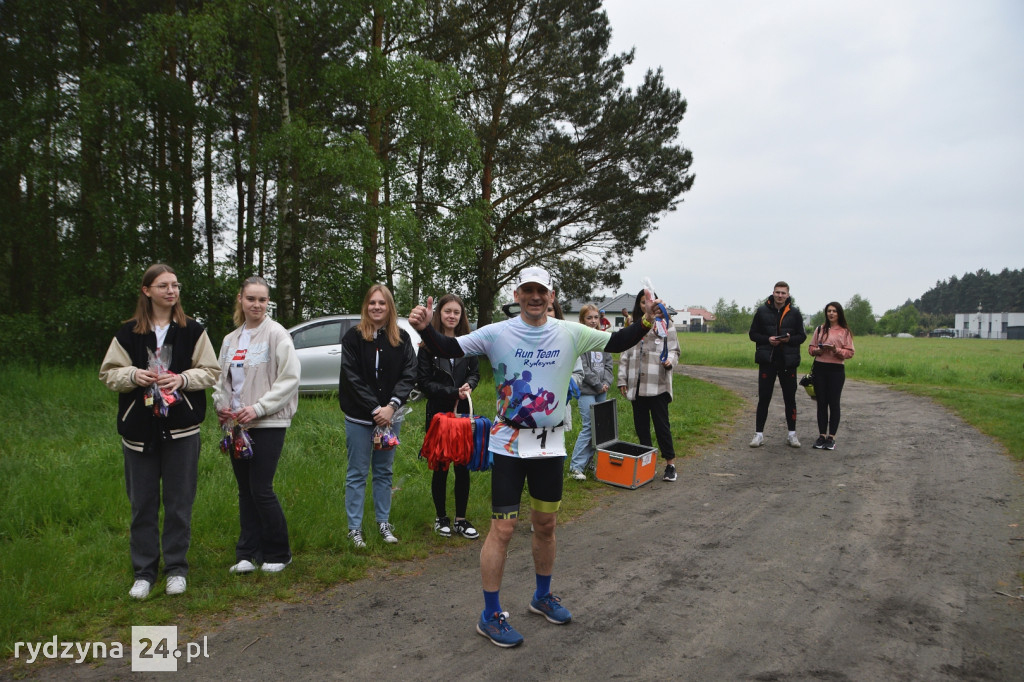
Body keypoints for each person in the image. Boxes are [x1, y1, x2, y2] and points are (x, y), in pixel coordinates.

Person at [408, 266, 664, 648]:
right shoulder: (498, 331)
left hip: (550, 446)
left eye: (541, 291)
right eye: (528, 290)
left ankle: (541, 596)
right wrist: (426, 329)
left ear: (552, 295)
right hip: (509, 444)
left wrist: (646, 319)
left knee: (545, 525)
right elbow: (448, 348)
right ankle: (489, 614)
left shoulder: (570, 332)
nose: (535, 297)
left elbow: (617, 341)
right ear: (517, 294)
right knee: (504, 529)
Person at [99, 264, 220, 599]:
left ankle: (177, 569)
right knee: (143, 504)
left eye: (176, 285)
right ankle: (144, 572)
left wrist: (182, 379)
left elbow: (211, 371)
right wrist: (133, 376)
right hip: (139, 433)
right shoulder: (128, 334)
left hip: (182, 431)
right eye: (164, 285)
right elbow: (108, 374)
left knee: (180, 503)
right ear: (146, 291)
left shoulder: (193, 331)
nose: (172, 291)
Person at [213, 276, 301, 574]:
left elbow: (289, 380)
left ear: (268, 302)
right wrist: (221, 407)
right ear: (241, 299)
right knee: (245, 490)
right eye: (251, 299)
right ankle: (247, 554)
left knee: (261, 488)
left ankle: (279, 552)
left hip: (269, 422)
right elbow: (220, 381)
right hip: (238, 427)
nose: (257, 305)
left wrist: (259, 408)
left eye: (262, 300)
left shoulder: (277, 335)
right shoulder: (230, 340)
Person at [339, 284, 417, 548]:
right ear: (366, 306)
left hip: (391, 418)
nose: (376, 307)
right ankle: (354, 528)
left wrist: (391, 407)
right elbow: (352, 377)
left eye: (382, 303)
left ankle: (383, 522)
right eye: (372, 302)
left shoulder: (402, 338)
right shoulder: (353, 338)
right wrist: (375, 409)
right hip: (360, 417)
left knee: (384, 472)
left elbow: (409, 374)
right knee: (357, 472)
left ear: (390, 307)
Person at [416, 293, 481, 539]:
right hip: (439, 416)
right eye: (447, 311)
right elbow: (423, 383)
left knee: (463, 467)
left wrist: (469, 386)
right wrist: (453, 391)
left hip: (463, 415)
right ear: (439, 314)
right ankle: (441, 517)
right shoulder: (427, 347)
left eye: (457, 312)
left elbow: (475, 373)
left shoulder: (469, 344)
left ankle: (461, 520)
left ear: (461, 316)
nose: (452, 316)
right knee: (441, 467)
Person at [617, 290, 681, 481]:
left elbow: (674, 350)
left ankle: (670, 464)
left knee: (662, 426)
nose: (646, 305)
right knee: (641, 426)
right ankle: (647, 464)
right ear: (639, 305)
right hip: (636, 384)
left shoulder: (666, 324)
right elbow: (624, 353)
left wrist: (669, 362)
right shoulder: (633, 325)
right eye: (642, 302)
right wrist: (622, 379)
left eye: (649, 302)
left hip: (657, 383)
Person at [748, 281, 807, 448]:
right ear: (773, 293)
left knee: (790, 398)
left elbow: (802, 337)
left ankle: (792, 434)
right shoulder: (761, 311)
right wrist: (767, 340)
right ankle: (758, 434)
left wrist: (789, 340)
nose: (780, 296)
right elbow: (753, 334)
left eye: (783, 293)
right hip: (768, 360)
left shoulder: (795, 313)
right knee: (764, 398)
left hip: (788, 361)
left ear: (788, 295)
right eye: (777, 292)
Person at [568, 304, 613, 480]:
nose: (593, 321)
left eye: (596, 317)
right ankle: (575, 466)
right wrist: (597, 384)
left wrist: (607, 382)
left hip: (602, 389)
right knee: (589, 426)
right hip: (587, 390)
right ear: (582, 320)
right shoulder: (580, 340)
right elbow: (583, 368)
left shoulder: (603, 338)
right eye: (589, 318)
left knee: (600, 427)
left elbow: (609, 364)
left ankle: (589, 462)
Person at [807, 302, 856, 450]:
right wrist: (817, 351)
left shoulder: (845, 332)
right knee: (821, 403)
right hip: (820, 368)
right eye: (829, 311)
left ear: (839, 313)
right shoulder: (820, 329)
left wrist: (836, 351)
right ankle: (821, 435)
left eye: (834, 311)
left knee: (833, 403)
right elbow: (810, 348)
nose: (831, 313)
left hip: (836, 369)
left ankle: (831, 437)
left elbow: (850, 352)